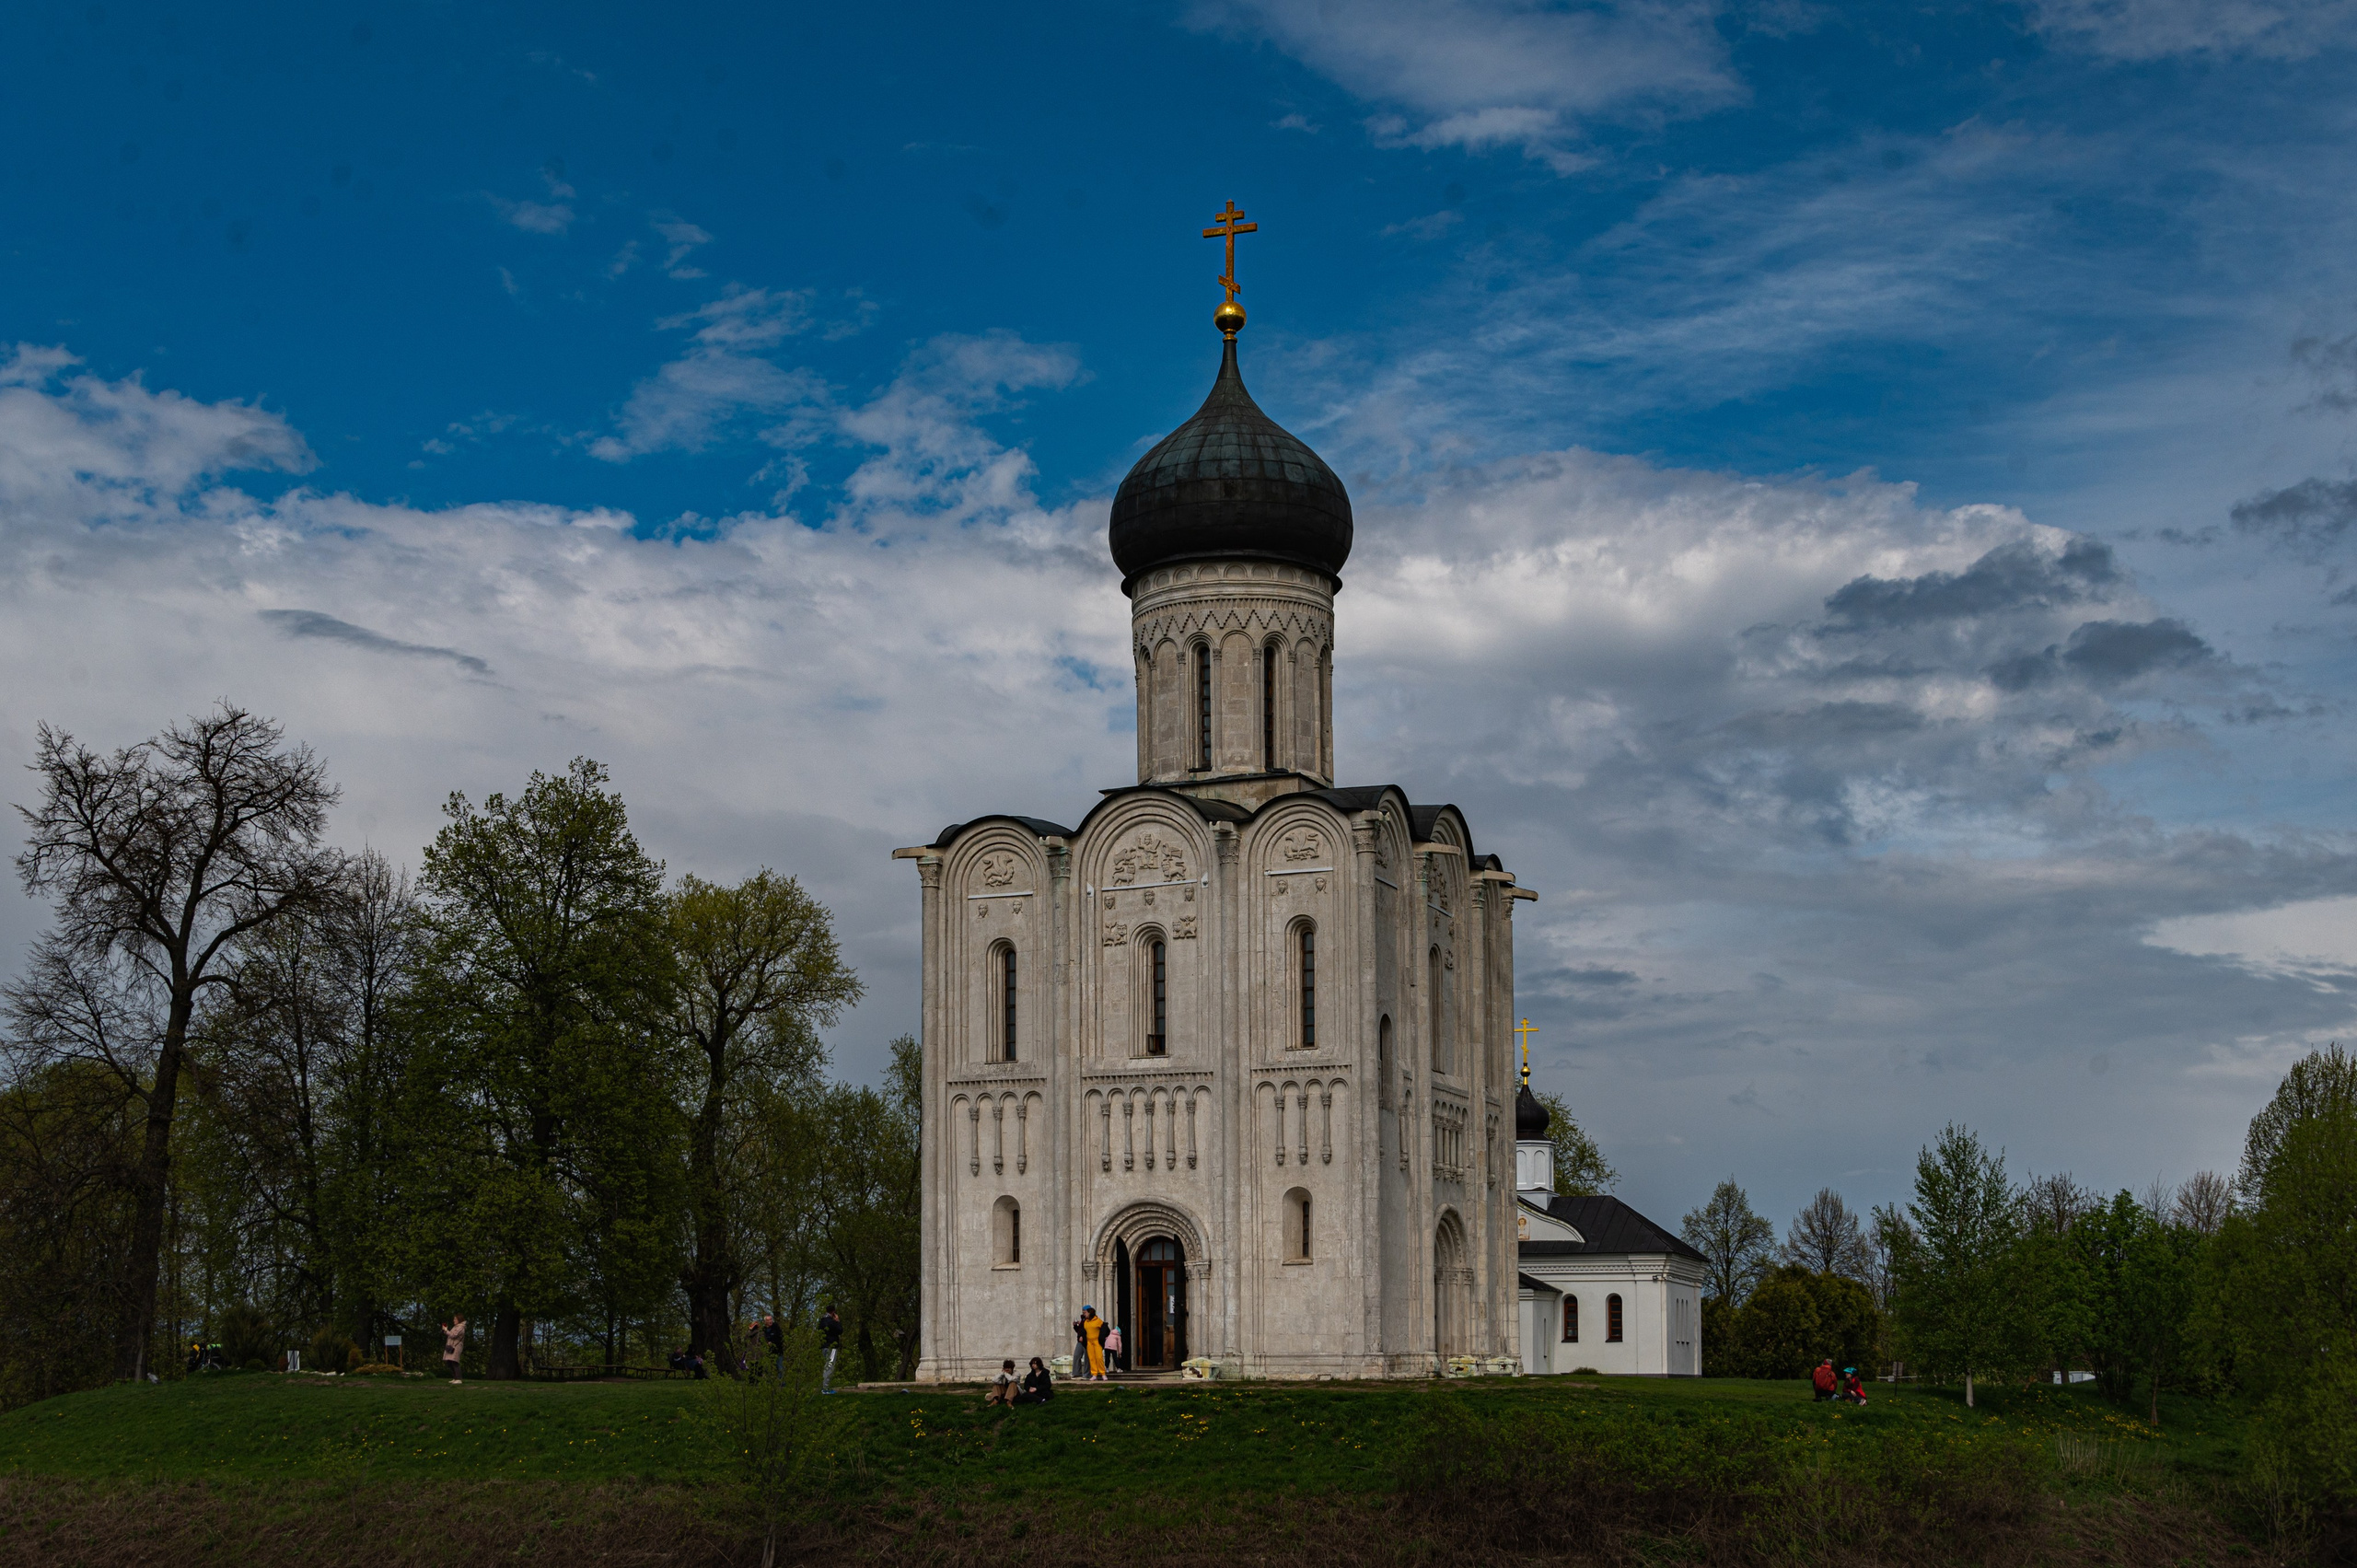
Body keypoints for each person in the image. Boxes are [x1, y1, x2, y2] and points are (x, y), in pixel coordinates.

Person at [1078, 1306, 1108, 1380]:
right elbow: (1083, 1331)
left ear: (1089, 1312)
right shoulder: (1086, 1322)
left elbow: (1105, 1328)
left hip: (1096, 1341)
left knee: (1099, 1357)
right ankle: (1094, 1374)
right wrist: (1081, 1336)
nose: (1084, 1314)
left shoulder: (1098, 1321)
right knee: (1091, 1358)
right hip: (1089, 1342)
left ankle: (1103, 1373)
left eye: (1085, 1313)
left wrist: (1103, 1337)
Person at [819, 1306, 842, 1393]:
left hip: (824, 1346)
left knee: (826, 1365)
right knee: (830, 1366)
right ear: (833, 1312)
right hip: (832, 1346)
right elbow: (840, 1330)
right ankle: (826, 1387)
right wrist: (838, 1321)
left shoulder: (822, 1321)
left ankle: (824, 1386)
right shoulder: (832, 1322)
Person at [442, 1315, 468, 1385]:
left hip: (456, 1347)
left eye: (455, 1319)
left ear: (459, 1320)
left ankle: (459, 1379)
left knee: (455, 1362)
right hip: (451, 1346)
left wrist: (446, 1331)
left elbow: (453, 1335)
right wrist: (445, 1330)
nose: (454, 1320)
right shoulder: (456, 1327)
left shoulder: (461, 1327)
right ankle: (455, 1378)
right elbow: (451, 1334)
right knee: (449, 1362)